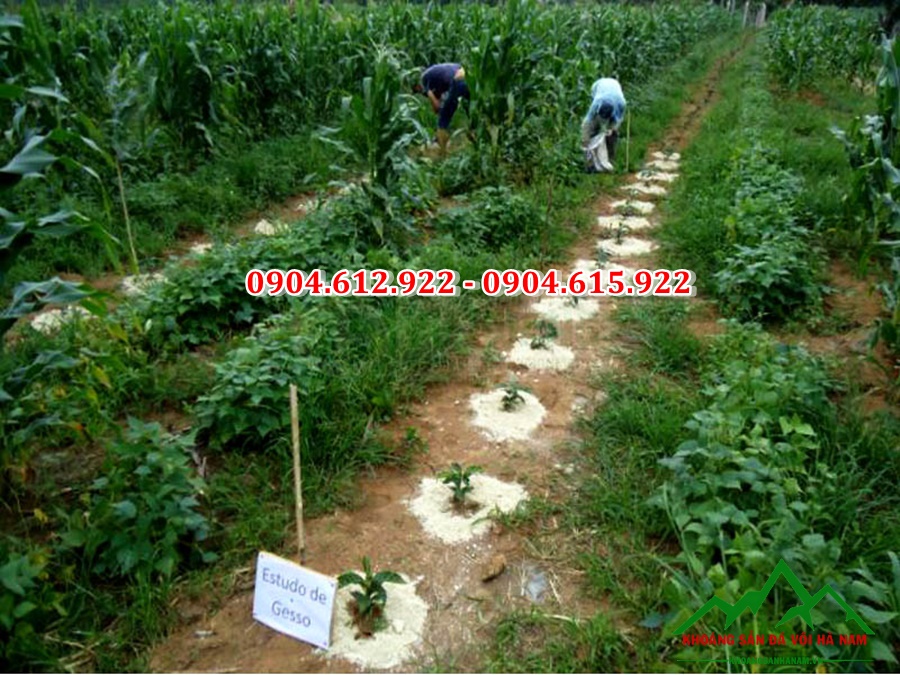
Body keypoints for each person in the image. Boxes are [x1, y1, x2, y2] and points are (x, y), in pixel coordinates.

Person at [413, 63, 470, 152]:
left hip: (457, 79)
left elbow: (436, 105)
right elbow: (439, 98)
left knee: (444, 117)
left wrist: (439, 112)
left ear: (417, 86)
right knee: (471, 110)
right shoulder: (435, 74)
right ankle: (475, 135)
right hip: (468, 75)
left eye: (417, 91)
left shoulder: (424, 79)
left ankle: (440, 146)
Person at [582, 77, 626, 173]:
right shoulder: (596, 102)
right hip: (598, 86)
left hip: (615, 87)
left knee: (613, 134)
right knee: (593, 130)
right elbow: (587, 121)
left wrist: (612, 129)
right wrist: (585, 140)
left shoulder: (621, 104)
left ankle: (610, 159)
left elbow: (619, 120)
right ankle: (591, 162)